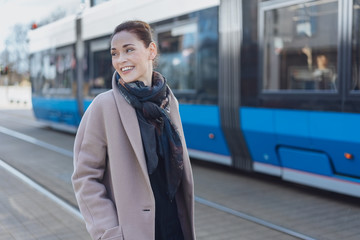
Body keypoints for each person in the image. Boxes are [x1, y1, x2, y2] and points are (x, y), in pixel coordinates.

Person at [71, 20, 196, 240]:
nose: (121, 60)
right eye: (115, 53)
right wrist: (109, 232)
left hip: (174, 226)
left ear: (151, 51)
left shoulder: (168, 102)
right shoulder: (104, 106)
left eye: (129, 50)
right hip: (132, 233)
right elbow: (85, 178)